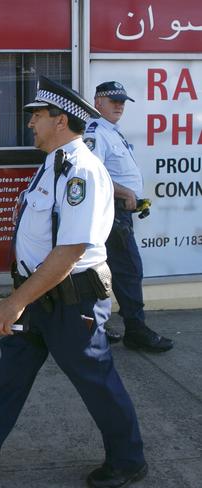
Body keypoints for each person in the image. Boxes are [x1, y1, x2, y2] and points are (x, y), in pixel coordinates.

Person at [0, 77, 147, 488]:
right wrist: (22, 296)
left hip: (70, 301)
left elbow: (69, 251)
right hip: (39, 297)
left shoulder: (81, 171)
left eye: (37, 116)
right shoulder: (53, 162)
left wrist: (13, 303)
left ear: (60, 121)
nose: (30, 123)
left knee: (96, 381)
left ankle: (129, 460)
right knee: (9, 378)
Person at [84, 81, 173, 352]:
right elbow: (90, 175)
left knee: (103, 272)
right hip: (110, 215)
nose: (119, 105)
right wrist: (124, 192)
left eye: (122, 101)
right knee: (128, 272)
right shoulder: (97, 133)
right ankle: (135, 331)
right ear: (98, 102)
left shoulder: (112, 132)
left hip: (119, 213)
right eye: (113, 101)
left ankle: (93, 328)